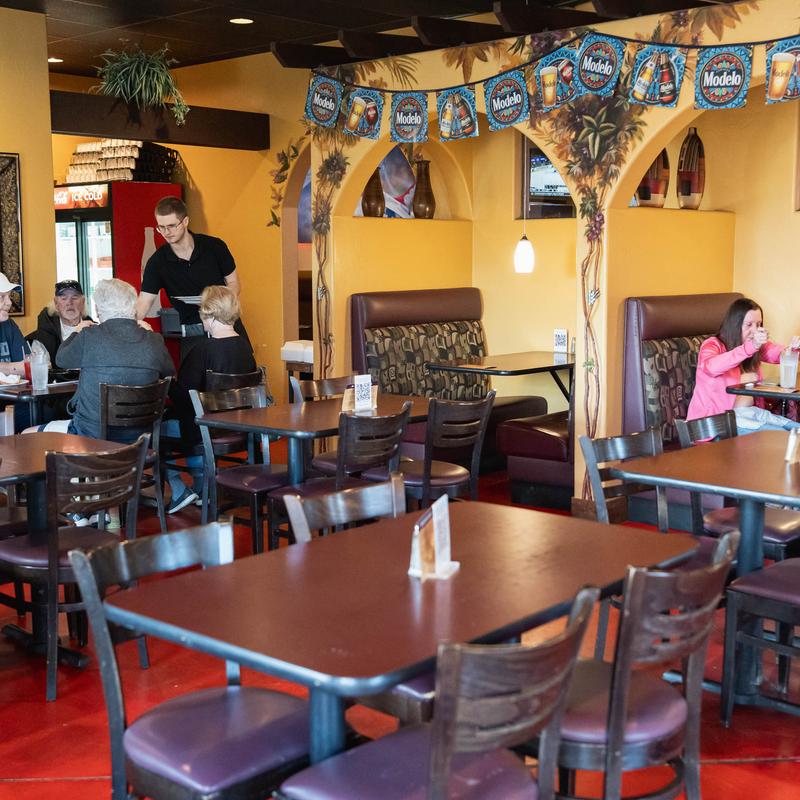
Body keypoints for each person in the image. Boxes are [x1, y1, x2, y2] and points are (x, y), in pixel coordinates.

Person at [40, 278, 175, 441]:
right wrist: (151, 333)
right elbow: (169, 372)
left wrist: (76, 331)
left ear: (98, 309)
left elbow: (62, 359)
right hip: (140, 439)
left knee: (28, 432)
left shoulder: (89, 336)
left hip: (90, 438)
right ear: (133, 306)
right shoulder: (154, 340)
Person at [163, 285, 257, 513]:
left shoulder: (202, 350)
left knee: (156, 428)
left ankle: (180, 489)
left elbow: (185, 398)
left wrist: (168, 383)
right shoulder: (245, 348)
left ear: (210, 314)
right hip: (240, 427)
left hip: (207, 430)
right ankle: (201, 486)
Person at [135, 196, 247, 359]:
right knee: (193, 375)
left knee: (240, 373)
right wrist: (125, 325)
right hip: (192, 334)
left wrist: (221, 306)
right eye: (161, 227)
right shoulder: (157, 262)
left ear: (185, 221)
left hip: (227, 327)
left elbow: (234, 282)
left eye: (172, 226)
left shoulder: (214, 247)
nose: (167, 233)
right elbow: (144, 302)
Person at [687, 297, 800, 433]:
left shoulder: (755, 346)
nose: (755, 330)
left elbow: (776, 353)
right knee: (782, 436)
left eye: (758, 324)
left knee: (796, 430)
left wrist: (793, 350)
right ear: (735, 325)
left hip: (750, 414)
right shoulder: (712, 345)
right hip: (714, 425)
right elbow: (712, 367)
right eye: (749, 325)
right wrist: (750, 347)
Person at [26, 279, 93, 365]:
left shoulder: (94, 330)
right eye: (64, 298)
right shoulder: (41, 337)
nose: (69, 302)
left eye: (74, 298)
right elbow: (42, 368)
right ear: (56, 304)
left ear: (83, 302)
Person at [0, 273, 28, 379]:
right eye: (1, 297)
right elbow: (23, 367)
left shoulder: (9, 325)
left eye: (9, 296)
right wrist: (10, 368)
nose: (9, 302)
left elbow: (29, 365)